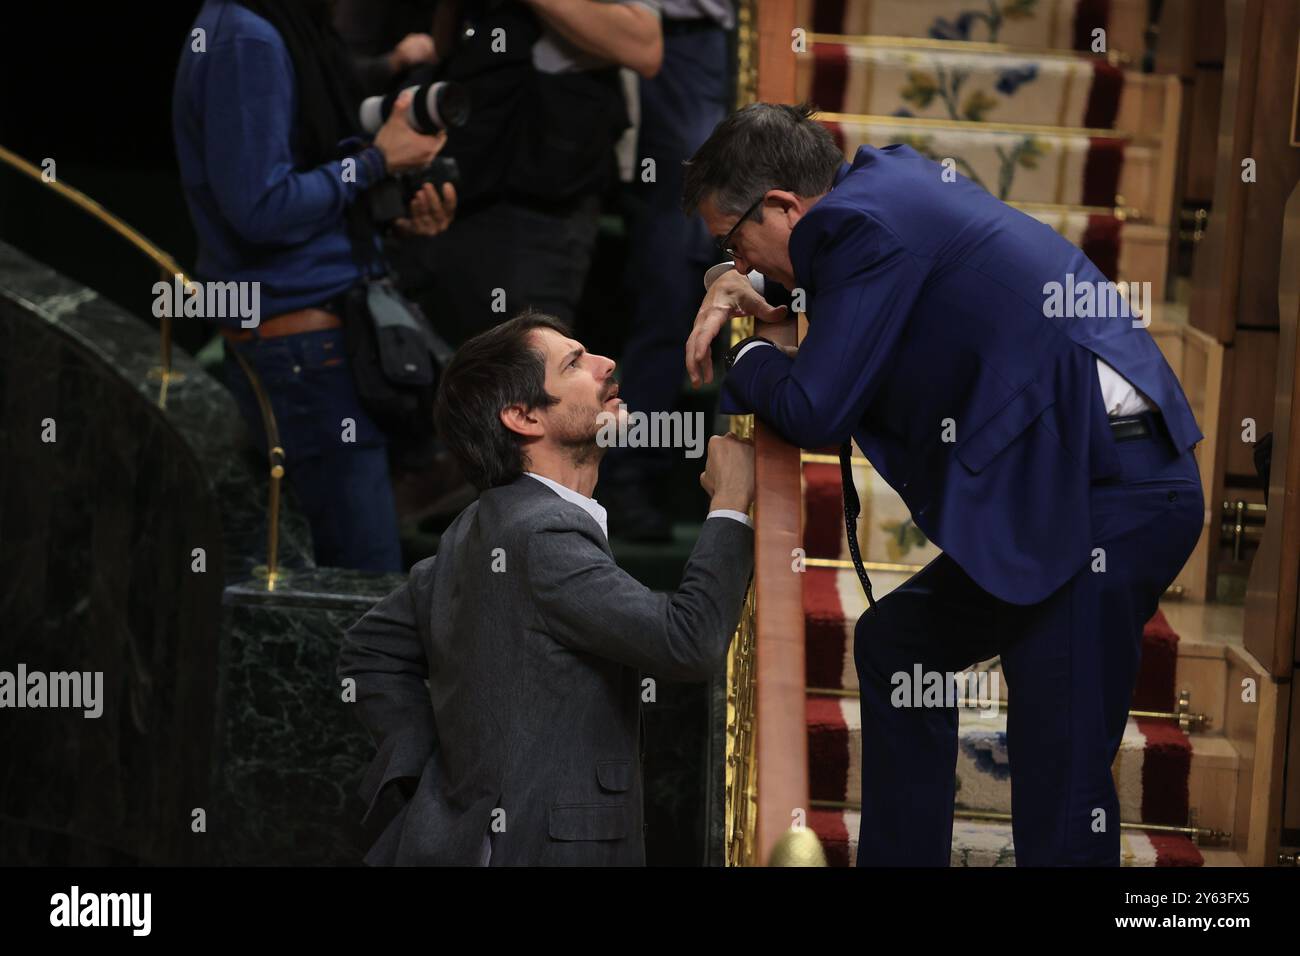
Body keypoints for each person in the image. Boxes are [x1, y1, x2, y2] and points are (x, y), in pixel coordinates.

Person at [681, 103, 1205, 866]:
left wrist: (751, 353)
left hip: (1105, 494)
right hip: (1072, 484)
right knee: (899, 647)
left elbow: (816, 408)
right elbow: (829, 309)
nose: (741, 262)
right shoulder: (881, 189)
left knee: (1059, 780)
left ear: (785, 205)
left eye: (734, 242)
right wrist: (741, 282)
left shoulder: (857, 228)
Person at [337, 312, 755, 865]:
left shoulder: (481, 522)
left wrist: (444, 783)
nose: (606, 364)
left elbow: (369, 649)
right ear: (523, 416)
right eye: (574, 364)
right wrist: (730, 503)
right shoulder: (541, 535)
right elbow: (690, 641)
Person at [173, 0, 455, 572]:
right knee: (359, 583)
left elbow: (297, 179)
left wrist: (392, 214)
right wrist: (376, 162)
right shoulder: (247, 37)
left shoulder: (277, 27)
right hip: (302, 354)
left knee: (352, 574)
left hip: (325, 338)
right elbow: (261, 209)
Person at [390, 0, 664, 345]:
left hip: (544, 195)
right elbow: (446, 45)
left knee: (527, 358)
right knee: (445, 352)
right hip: (467, 172)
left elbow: (645, 47)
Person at [601, 0, 734, 540]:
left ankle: (634, 470)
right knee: (674, 273)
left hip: (704, 39)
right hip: (662, 33)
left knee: (692, 264)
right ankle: (626, 472)